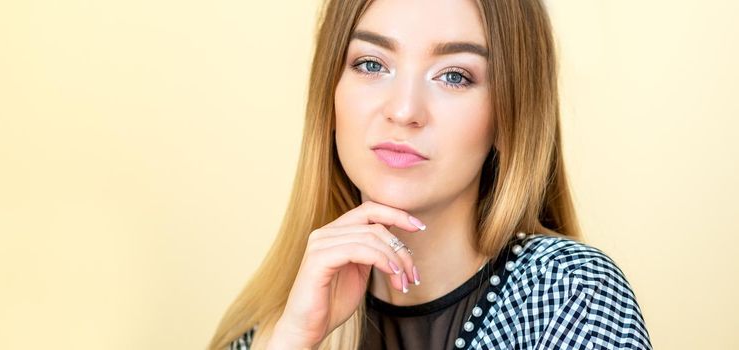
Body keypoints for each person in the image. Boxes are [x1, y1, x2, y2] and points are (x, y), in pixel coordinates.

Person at [208, 0, 652, 349]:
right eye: (371, 64)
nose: (403, 111)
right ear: (331, 95)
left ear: (509, 117)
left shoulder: (568, 295)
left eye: (454, 76)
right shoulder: (272, 330)